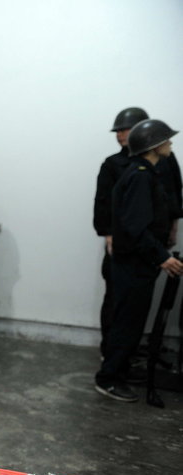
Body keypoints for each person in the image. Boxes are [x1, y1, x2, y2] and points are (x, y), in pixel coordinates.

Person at [95, 119, 181, 407]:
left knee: (130, 323)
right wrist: (163, 258)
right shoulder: (141, 176)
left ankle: (120, 370)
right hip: (133, 265)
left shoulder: (144, 173)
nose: (170, 144)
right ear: (155, 146)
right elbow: (135, 227)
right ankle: (108, 379)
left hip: (136, 264)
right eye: (167, 141)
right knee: (126, 324)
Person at [93, 107, 149, 358]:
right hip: (121, 245)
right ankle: (111, 352)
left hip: (148, 245)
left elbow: (172, 196)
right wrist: (108, 235)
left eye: (125, 130)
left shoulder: (162, 160)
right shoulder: (113, 164)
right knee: (115, 299)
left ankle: (128, 352)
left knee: (138, 304)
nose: (120, 135)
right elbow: (102, 203)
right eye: (117, 131)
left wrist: (172, 226)